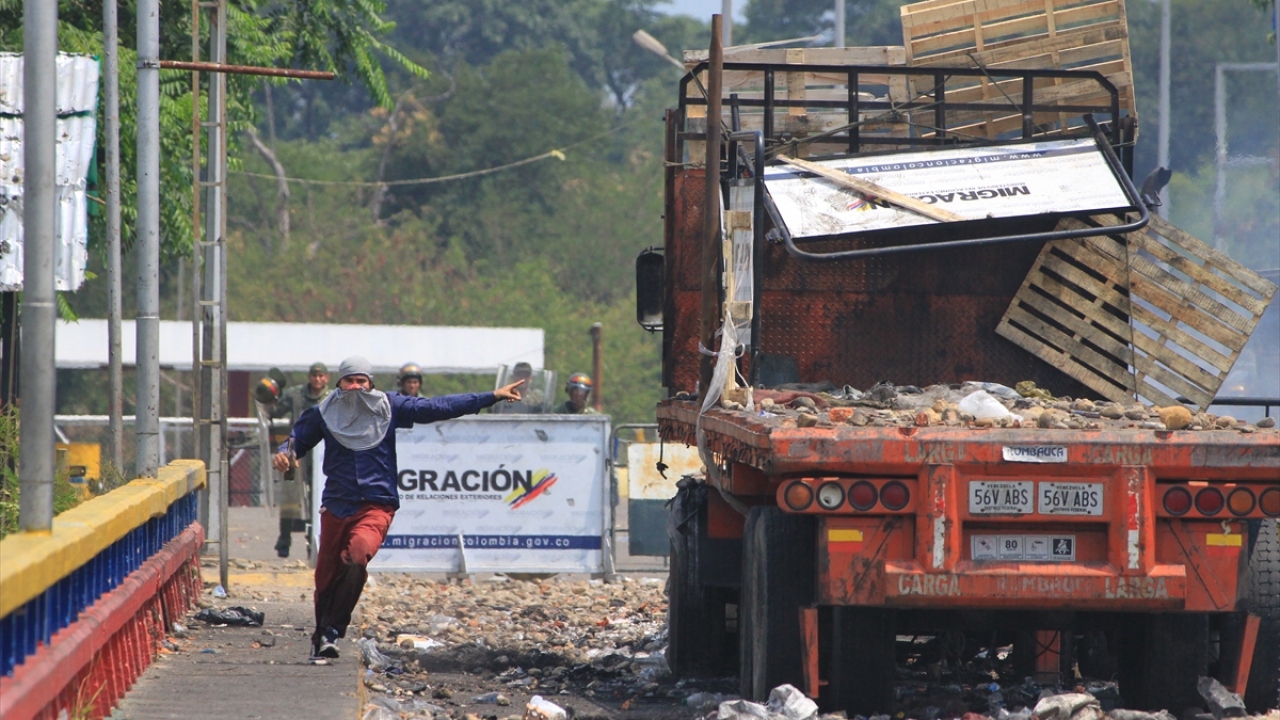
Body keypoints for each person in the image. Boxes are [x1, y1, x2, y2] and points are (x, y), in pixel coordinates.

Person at [272, 355, 525, 660]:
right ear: (339, 384)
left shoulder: (389, 406)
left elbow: (437, 407)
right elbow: (295, 441)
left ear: (371, 384)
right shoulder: (322, 413)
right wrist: (285, 454)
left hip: (376, 505)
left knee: (357, 556)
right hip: (336, 505)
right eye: (349, 381)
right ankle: (321, 635)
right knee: (325, 578)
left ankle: (333, 631)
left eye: (361, 381)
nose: (355, 387)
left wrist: (490, 396)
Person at [265, 361, 331, 558]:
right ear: (309, 377)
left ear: (326, 378)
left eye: (321, 376)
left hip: (321, 450)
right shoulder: (295, 394)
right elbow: (274, 411)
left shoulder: (333, 398)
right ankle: (284, 540)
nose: (317, 380)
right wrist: (268, 395)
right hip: (294, 446)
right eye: (314, 376)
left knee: (318, 498)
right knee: (289, 498)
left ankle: (315, 541)